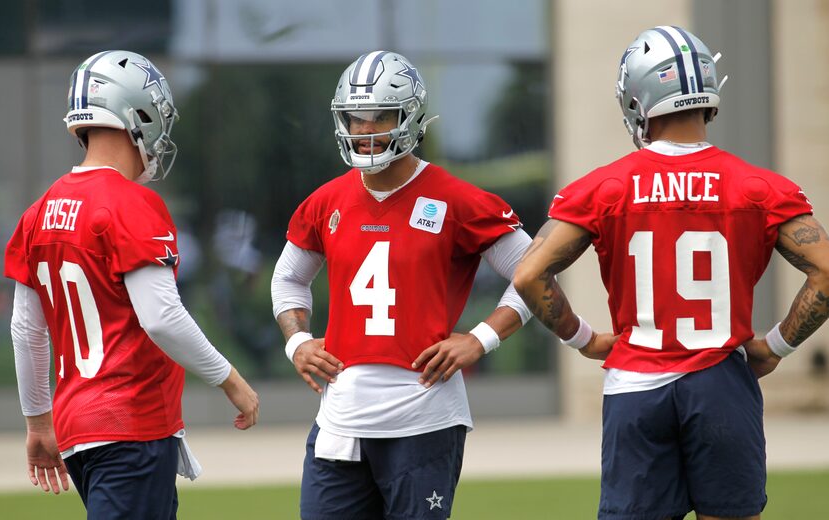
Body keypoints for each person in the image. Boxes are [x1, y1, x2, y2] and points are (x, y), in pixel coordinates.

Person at [513, 26, 829, 520]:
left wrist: (584, 339)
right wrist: (777, 345)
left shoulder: (603, 187)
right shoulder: (759, 186)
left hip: (636, 386)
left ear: (639, 97)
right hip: (722, 380)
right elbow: (826, 273)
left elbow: (529, 275)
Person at [271, 50, 533, 519]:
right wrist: (297, 343)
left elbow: (534, 275)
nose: (365, 130)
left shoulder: (457, 198)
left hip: (423, 414)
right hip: (341, 418)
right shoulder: (325, 201)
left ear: (410, 116)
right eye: (355, 118)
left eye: (379, 116)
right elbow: (288, 278)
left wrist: (481, 338)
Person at [5, 50, 259, 518]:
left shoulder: (37, 213)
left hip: (77, 426)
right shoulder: (132, 204)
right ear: (135, 114)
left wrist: (38, 422)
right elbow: (161, 316)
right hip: (131, 423)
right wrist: (230, 378)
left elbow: (25, 329)